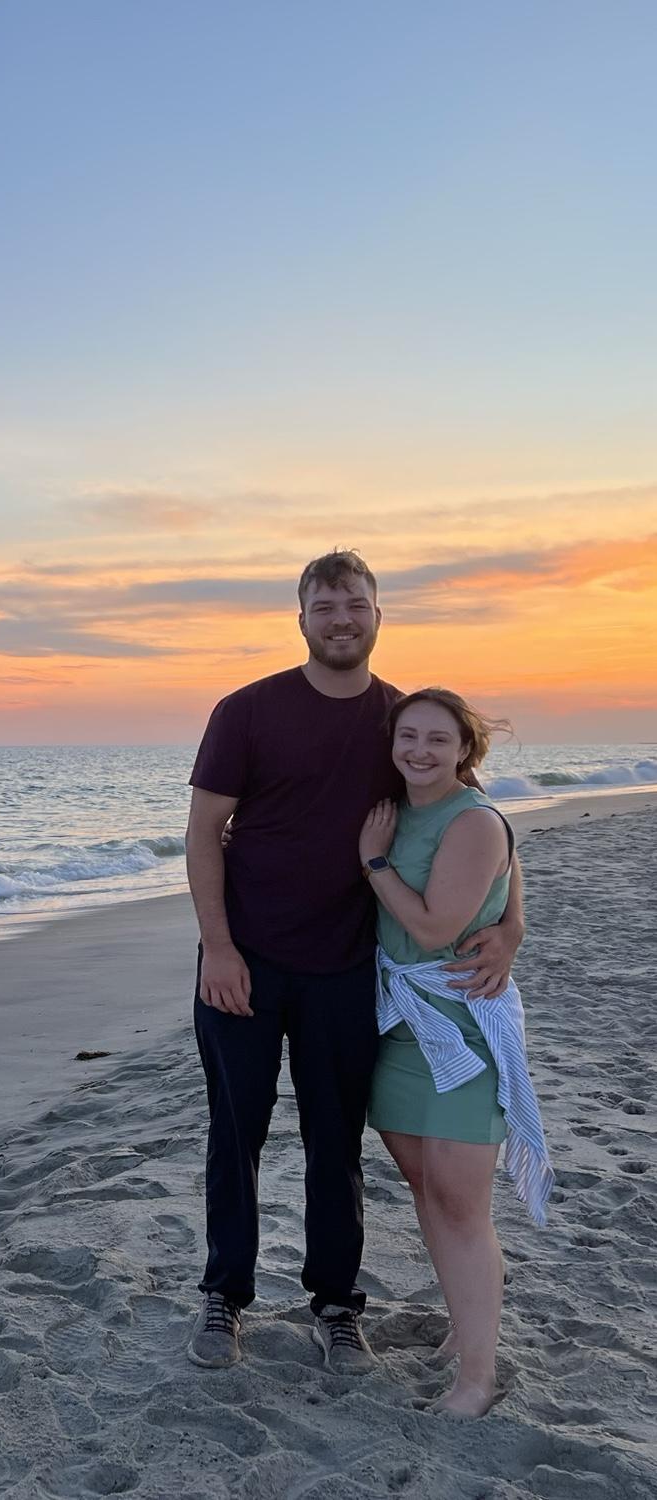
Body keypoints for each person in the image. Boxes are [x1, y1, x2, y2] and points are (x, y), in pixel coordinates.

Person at [184, 549, 525, 1375]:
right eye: (325, 606)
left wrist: (512, 924)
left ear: (378, 615)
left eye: (355, 606)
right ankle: (225, 1296)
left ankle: (336, 1306)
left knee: (335, 1143)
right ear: (301, 617)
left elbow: (479, 820)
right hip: (244, 962)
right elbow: (202, 833)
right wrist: (219, 949)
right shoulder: (247, 710)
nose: (341, 620)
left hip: (346, 969)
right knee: (237, 1133)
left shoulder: (399, 722)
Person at [361, 688, 552, 1417]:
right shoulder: (398, 809)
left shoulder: (469, 817)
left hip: (462, 1024)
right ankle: (464, 1326)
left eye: (438, 739)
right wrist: (515, 918)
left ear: (465, 749)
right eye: (407, 736)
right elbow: (509, 869)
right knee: (427, 1188)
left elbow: (438, 927)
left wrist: (375, 864)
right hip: (401, 1023)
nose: (420, 750)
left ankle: (477, 1379)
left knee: (461, 1204)